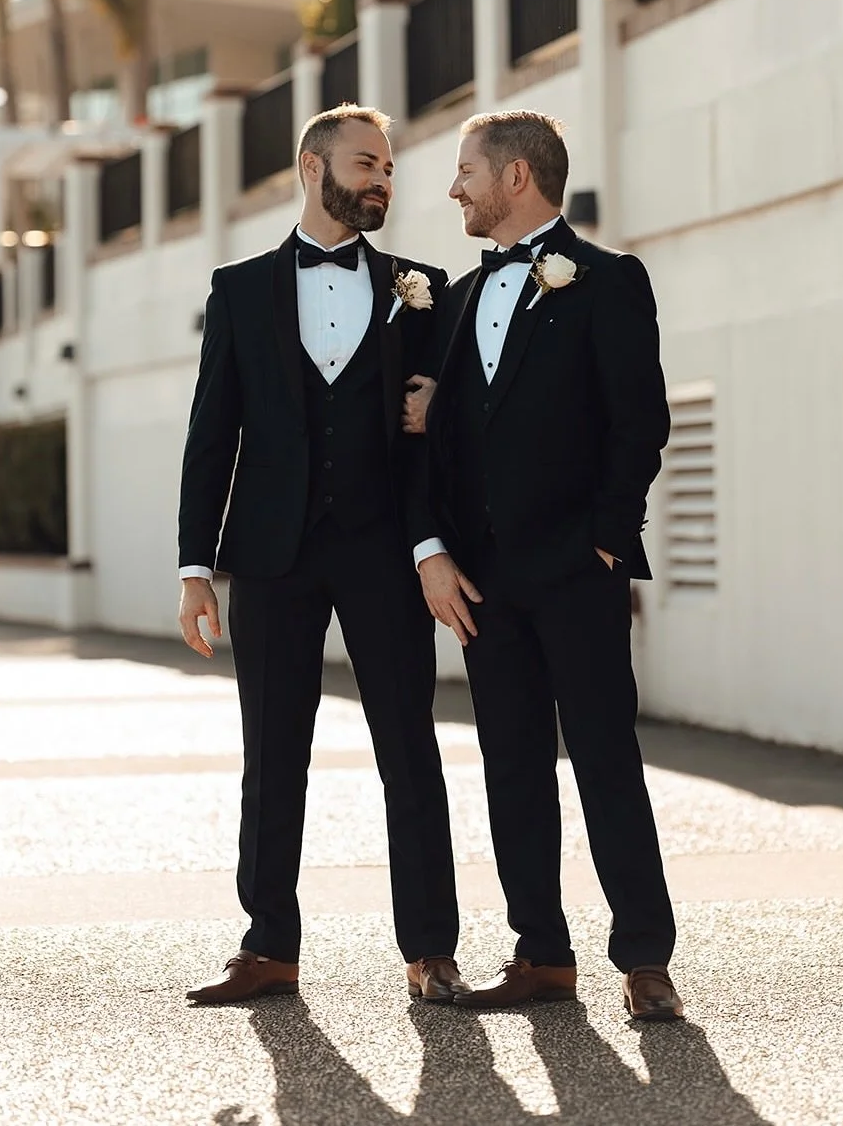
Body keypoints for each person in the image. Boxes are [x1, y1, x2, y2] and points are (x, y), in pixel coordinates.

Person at [178, 104, 467, 1007]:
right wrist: (196, 565)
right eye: (364, 162)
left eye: (388, 166)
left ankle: (430, 948)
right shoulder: (239, 289)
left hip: (386, 550)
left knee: (408, 749)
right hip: (271, 553)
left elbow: (444, 434)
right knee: (273, 754)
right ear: (313, 167)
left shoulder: (423, 287)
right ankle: (268, 946)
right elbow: (210, 433)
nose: (382, 178)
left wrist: (430, 538)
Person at [404, 110, 683, 1020]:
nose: (453, 189)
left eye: (465, 172)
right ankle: (541, 955)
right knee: (511, 764)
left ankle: (644, 957)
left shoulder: (605, 280)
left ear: (516, 177)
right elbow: (429, 447)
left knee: (606, 758)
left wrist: (606, 536)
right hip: (479, 581)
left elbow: (638, 418)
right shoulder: (449, 302)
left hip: (575, 569)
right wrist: (434, 552)